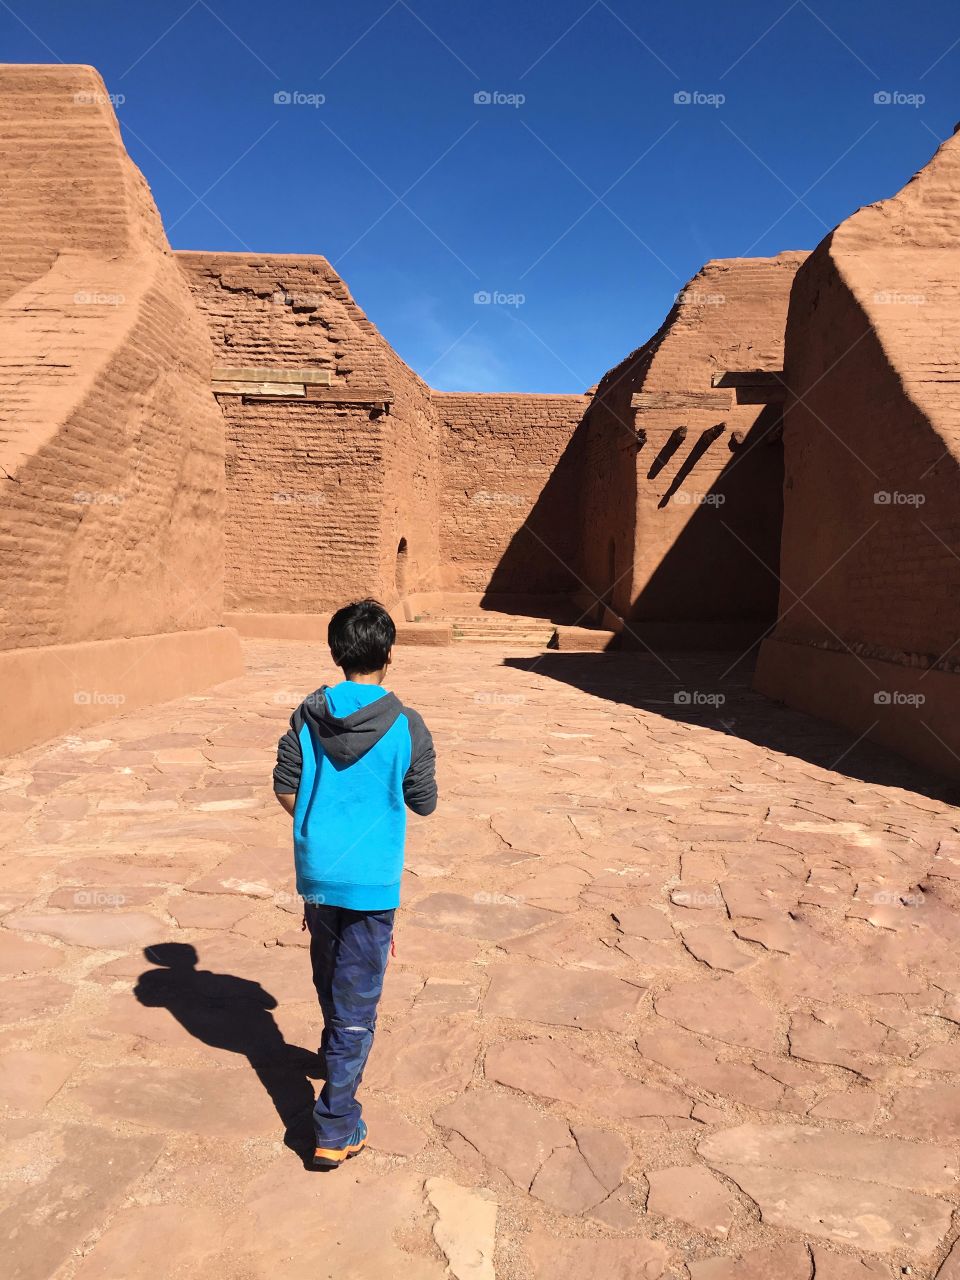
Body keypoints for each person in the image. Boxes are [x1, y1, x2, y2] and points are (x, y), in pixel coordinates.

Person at [273, 598, 437, 1169]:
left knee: (328, 967)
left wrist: (317, 827)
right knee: (358, 997)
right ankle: (336, 1125)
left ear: (336, 652)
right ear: (388, 655)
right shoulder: (406, 724)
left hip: (319, 873)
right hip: (371, 879)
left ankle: (331, 1052)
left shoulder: (306, 714)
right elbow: (424, 802)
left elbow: (284, 785)